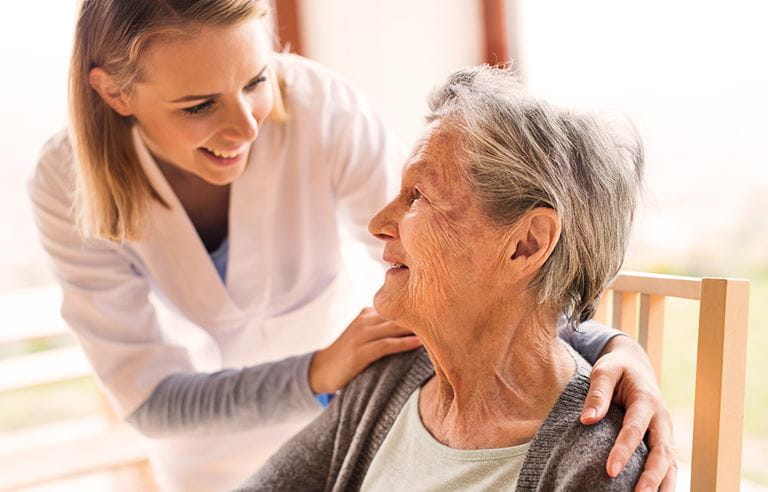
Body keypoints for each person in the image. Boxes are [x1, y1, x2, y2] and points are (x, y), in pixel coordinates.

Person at [28, 1, 675, 491]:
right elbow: (150, 397)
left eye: (257, 81)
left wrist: (611, 346)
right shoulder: (65, 184)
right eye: (198, 105)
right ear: (114, 92)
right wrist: (318, 374)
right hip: (228, 447)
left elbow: (474, 265)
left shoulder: (318, 107)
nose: (245, 123)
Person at [240, 65, 652, 491]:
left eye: (417, 196)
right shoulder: (389, 377)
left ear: (526, 245)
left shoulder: (598, 464)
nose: (379, 223)